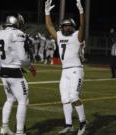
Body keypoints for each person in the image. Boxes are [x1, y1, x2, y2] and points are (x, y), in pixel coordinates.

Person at [45, 0, 87, 135]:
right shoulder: (59, 36)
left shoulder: (76, 35)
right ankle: (69, 125)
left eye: (69, 26)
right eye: (64, 25)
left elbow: (82, 26)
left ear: (73, 27)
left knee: (74, 97)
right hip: (65, 71)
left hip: (76, 69)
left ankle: (82, 123)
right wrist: (47, 13)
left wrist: (81, 12)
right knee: (64, 99)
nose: (66, 28)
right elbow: (49, 26)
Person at [0, 14, 37, 135]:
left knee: (9, 99)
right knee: (23, 101)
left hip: (3, 71)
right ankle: (20, 132)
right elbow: (23, 58)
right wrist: (31, 67)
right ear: (16, 23)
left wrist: (1, 71)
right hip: (14, 72)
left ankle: (4, 127)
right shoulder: (17, 33)